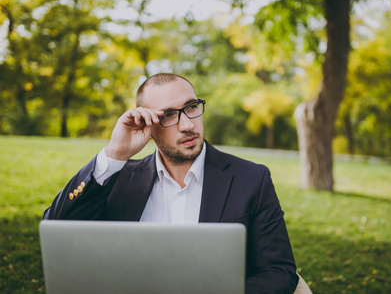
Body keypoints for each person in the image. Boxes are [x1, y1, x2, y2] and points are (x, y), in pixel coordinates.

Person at [43, 73, 299, 293]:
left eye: (191, 107)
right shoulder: (118, 178)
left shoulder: (252, 179)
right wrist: (114, 154)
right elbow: (57, 227)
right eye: (167, 115)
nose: (188, 125)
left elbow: (279, 270)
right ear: (148, 127)